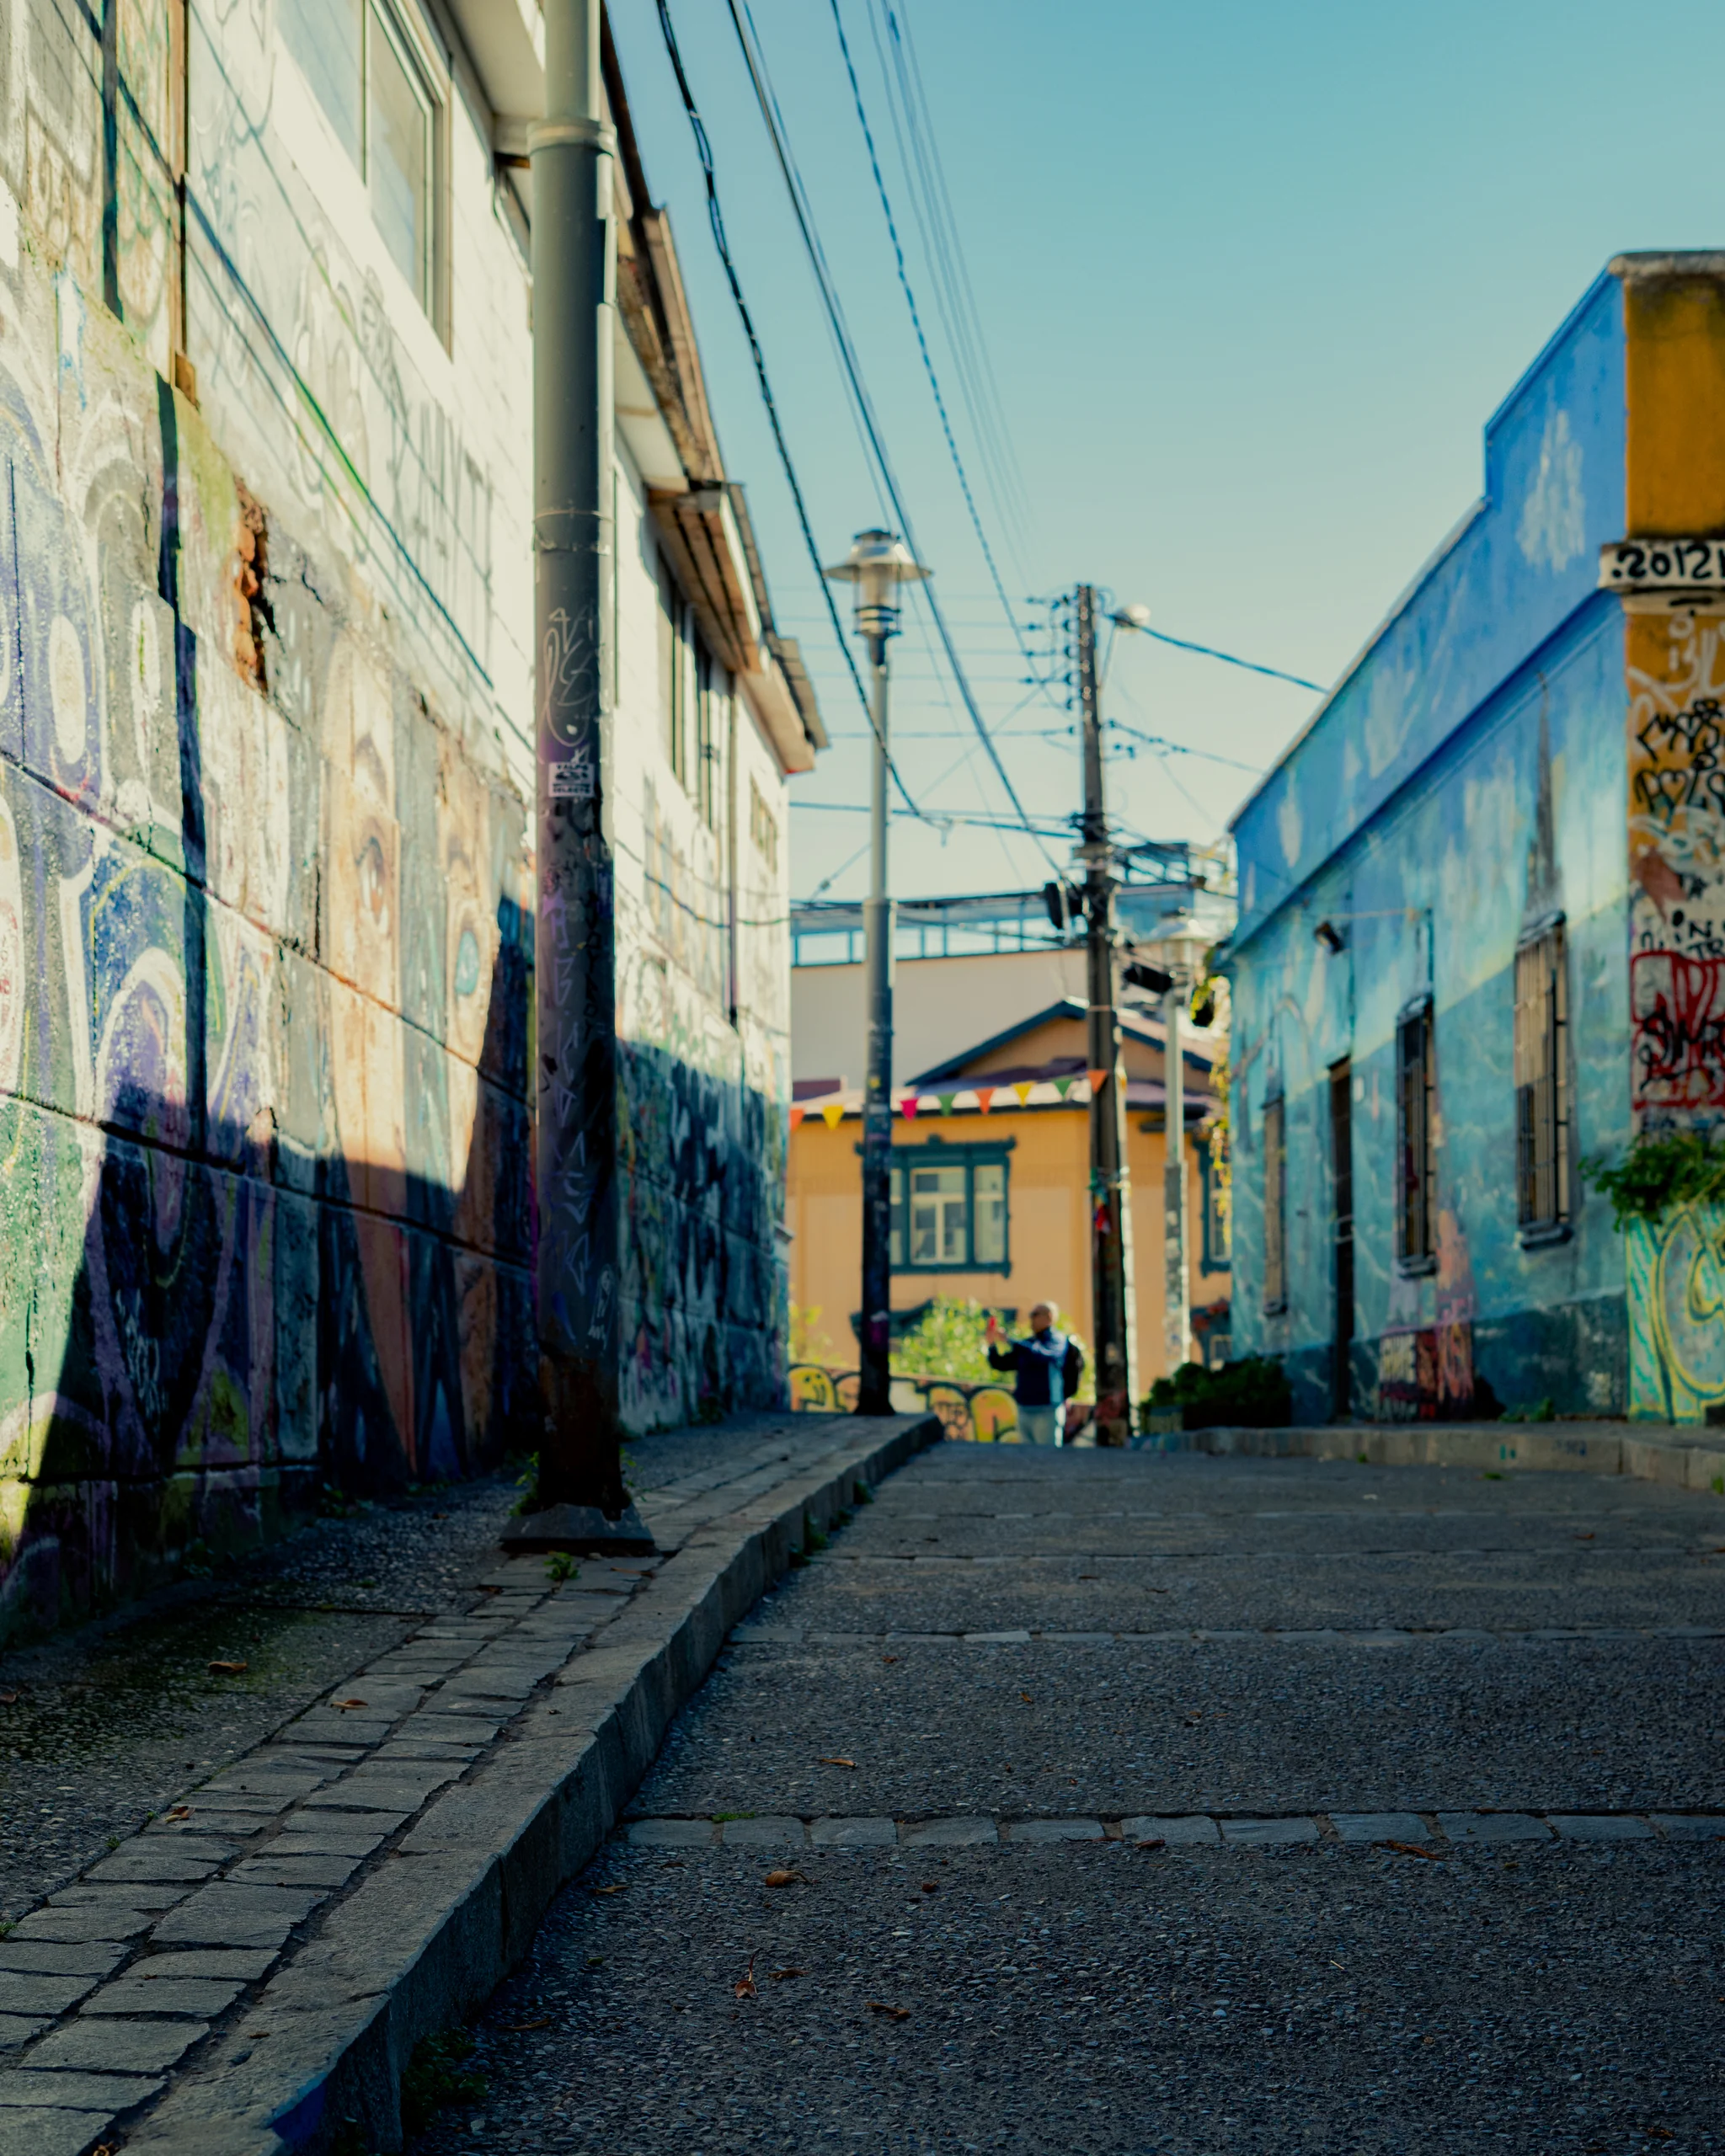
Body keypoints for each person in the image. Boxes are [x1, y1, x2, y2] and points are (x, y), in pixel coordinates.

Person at [986, 1305, 1083, 1447]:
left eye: (1035, 1314)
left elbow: (1041, 1355)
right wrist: (992, 1345)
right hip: (1025, 1409)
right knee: (1028, 1459)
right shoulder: (1028, 1344)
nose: (1031, 1319)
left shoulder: (1057, 1340)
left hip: (1047, 1410)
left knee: (1047, 1458)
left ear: (1049, 1316)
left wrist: (1010, 1340)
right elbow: (1001, 1364)